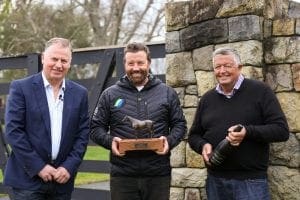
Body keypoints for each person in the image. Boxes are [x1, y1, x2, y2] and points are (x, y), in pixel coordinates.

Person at [188, 48, 289, 200]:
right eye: (217, 67)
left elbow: (281, 130)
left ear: (240, 67)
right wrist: (203, 145)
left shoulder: (260, 91)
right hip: (216, 181)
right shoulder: (207, 99)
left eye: (227, 65)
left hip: (251, 182)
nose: (222, 71)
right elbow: (194, 135)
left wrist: (247, 132)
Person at [90, 42, 187, 200]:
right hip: (122, 176)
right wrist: (110, 141)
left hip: (158, 176)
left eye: (140, 63)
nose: (136, 68)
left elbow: (180, 125)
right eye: (131, 63)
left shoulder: (167, 93)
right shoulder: (110, 95)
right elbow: (95, 128)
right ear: (125, 64)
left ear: (148, 62)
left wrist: (169, 141)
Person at [4, 37, 90, 200]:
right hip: (27, 181)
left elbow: (82, 134)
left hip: (62, 181)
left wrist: (69, 167)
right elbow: (13, 132)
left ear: (70, 63)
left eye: (64, 60)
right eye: (54, 59)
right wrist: (39, 167)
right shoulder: (21, 88)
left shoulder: (80, 94)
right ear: (43, 58)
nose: (59, 65)